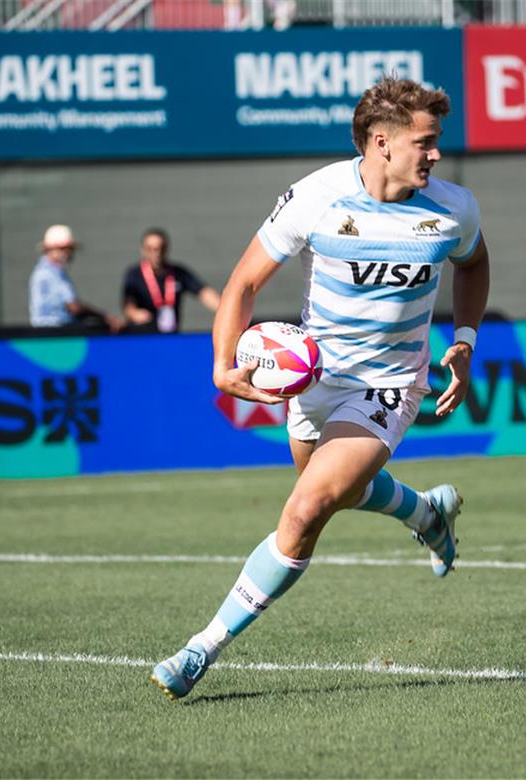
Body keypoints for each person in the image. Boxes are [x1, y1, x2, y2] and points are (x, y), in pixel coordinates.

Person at [150, 76, 491, 700]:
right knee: (341, 491)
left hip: (389, 383)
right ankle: (427, 513)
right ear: (381, 143)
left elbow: (474, 262)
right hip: (316, 378)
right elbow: (244, 285)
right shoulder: (317, 198)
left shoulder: (453, 208)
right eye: (426, 142)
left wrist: (463, 342)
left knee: (307, 509)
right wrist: (222, 364)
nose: (436, 153)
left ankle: (202, 646)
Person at [120, 228, 221, 333]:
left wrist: (225, 309)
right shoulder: (134, 274)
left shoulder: (178, 273)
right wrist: (135, 313)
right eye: (151, 249)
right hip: (144, 336)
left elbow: (204, 293)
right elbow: (128, 304)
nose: (156, 253)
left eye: (160, 248)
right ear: (143, 250)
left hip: (170, 335)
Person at [29, 224, 125, 333]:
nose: (69, 254)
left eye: (70, 249)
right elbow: (74, 307)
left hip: (50, 335)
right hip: (55, 336)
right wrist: (106, 318)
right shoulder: (50, 273)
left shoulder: (48, 271)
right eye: (64, 249)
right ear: (51, 250)